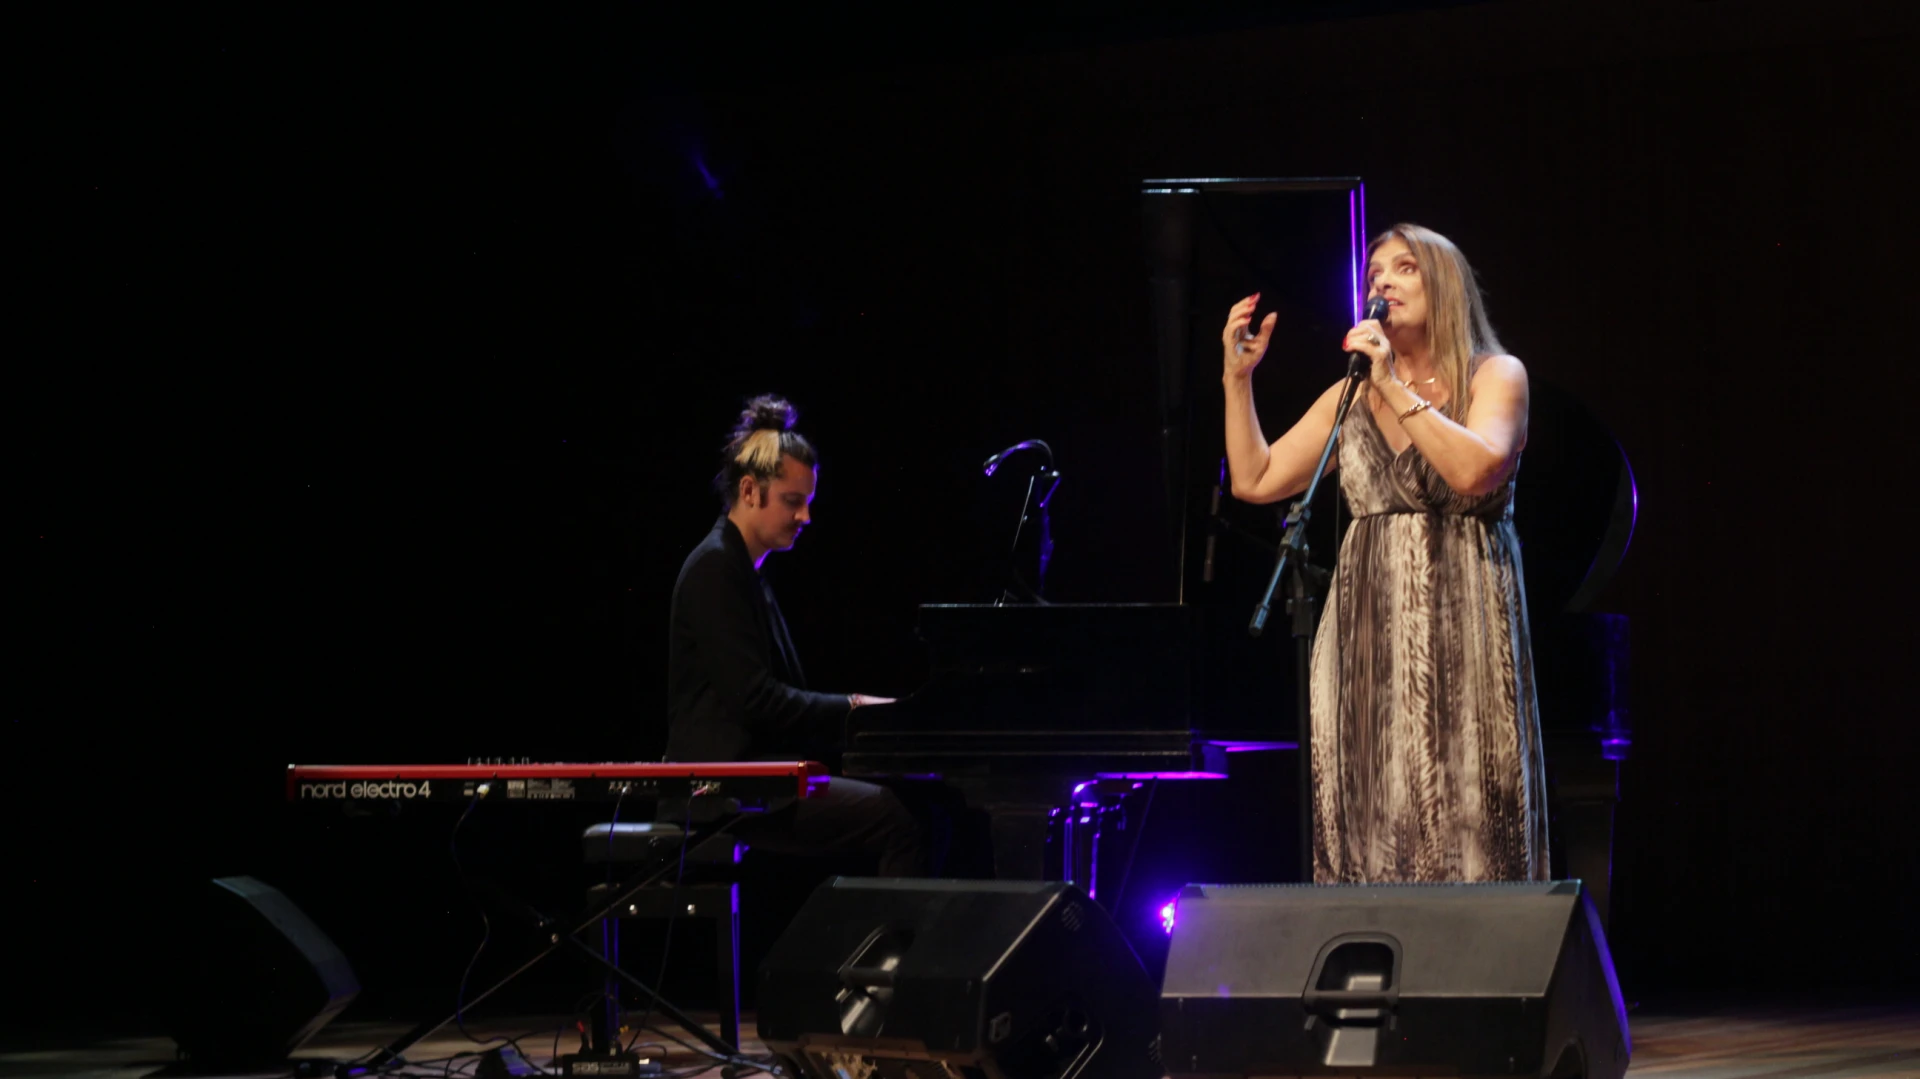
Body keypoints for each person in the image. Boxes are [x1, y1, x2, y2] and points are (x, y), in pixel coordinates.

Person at [1220, 223, 1549, 883]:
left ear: (1444, 285)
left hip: (1463, 629)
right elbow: (1256, 478)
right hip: (1365, 637)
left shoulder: (1496, 375)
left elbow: (1474, 469)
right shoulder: (1351, 397)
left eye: (1404, 268)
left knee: (1465, 814)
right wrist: (1238, 379)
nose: (1383, 283)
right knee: (1367, 809)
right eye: (1375, 274)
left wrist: (1394, 384)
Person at [664, 395, 927, 877]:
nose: (805, 517)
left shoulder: (746, 570)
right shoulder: (715, 568)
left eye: (807, 502)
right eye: (793, 501)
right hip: (723, 789)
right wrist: (854, 707)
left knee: (921, 809)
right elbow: (756, 701)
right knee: (897, 821)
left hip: (756, 776)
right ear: (749, 491)